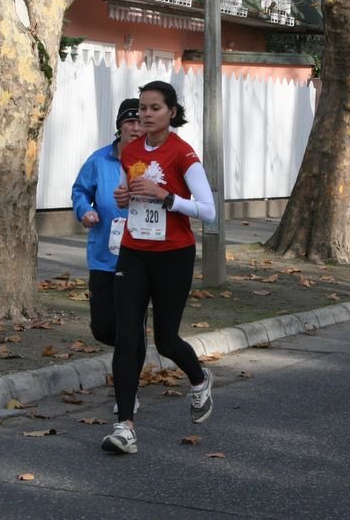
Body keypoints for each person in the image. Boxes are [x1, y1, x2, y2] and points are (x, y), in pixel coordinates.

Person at [101, 80, 216, 454]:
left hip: (173, 253)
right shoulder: (131, 150)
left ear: (172, 112)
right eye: (142, 108)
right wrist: (123, 194)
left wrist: (169, 198)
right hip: (134, 249)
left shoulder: (183, 154)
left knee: (166, 339)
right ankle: (125, 425)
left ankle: (199, 379)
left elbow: (209, 210)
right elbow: (129, 190)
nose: (146, 115)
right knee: (128, 334)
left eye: (154, 108)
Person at [71, 98, 146, 414]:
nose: (135, 127)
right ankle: (133, 348)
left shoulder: (151, 162)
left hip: (141, 257)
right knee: (103, 327)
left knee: (130, 325)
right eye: (129, 121)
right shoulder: (99, 160)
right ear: (119, 126)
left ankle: (128, 392)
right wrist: (84, 211)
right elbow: (80, 191)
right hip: (103, 255)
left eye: (140, 122)